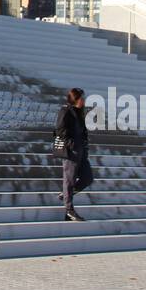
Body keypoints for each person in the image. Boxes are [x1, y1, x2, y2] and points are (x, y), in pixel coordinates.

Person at [53, 87, 93, 221]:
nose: (84, 100)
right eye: (82, 98)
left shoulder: (80, 112)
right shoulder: (66, 110)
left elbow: (83, 132)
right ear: (75, 99)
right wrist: (72, 144)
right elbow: (59, 130)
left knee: (87, 178)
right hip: (71, 151)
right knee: (69, 181)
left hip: (81, 152)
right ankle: (69, 211)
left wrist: (85, 146)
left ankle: (65, 195)